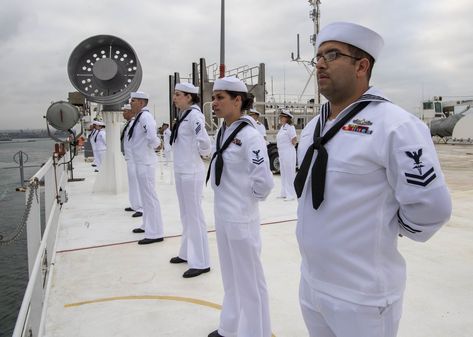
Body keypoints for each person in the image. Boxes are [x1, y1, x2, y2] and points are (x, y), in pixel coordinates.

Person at [293, 21, 452, 337]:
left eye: (332, 54)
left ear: (361, 66)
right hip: (312, 285)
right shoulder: (313, 128)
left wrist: (387, 226)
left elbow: (432, 207)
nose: (320, 63)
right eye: (318, 56)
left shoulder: (395, 125)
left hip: (363, 297)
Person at [207, 76, 274, 337]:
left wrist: (245, 202)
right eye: (214, 97)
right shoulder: (224, 130)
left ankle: (256, 332)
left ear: (238, 100)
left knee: (250, 281)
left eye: (220, 97)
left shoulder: (250, 135)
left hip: (240, 216)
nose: (214, 103)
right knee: (231, 278)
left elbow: (264, 182)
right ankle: (230, 327)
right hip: (223, 214)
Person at [169, 82, 212, 278]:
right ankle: (186, 253)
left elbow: (204, 141)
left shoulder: (194, 116)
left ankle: (201, 261)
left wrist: (203, 155)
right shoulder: (184, 115)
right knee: (185, 215)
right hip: (181, 170)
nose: (174, 97)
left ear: (188, 97)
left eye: (178, 94)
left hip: (191, 172)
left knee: (194, 216)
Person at [128, 91, 165, 245]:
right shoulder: (139, 118)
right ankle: (147, 225)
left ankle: (156, 232)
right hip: (139, 161)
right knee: (145, 197)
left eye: (134, 100)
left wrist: (158, 146)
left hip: (145, 162)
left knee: (150, 198)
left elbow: (152, 137)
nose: (131, 102)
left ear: (142, 103)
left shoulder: (145, 117)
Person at [121, 103, 143, 218]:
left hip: (135, 158)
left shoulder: (135, 124)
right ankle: (135, 204)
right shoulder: (129, 124)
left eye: (125, 111)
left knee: (137, 183)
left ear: (130, 112)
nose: (123, 113)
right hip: (130, 158)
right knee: (132, 184)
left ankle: (141, 207)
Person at [276, 109, 297, 200]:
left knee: (289, 173)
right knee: (283, 172)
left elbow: (294, 140)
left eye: (282, 117)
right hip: (282, 152)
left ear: (287, 118)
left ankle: (291, 194)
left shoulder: (290, 127)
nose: (280, 118)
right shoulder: (282, 127)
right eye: (280, 117)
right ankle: (284, 192)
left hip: (288, 151)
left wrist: (287, 147)